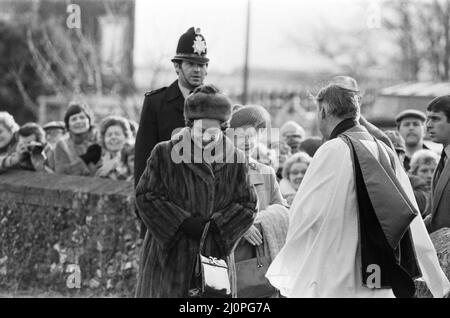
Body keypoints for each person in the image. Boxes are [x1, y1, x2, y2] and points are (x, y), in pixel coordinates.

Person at [266, 84, 450, 298]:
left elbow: (304, 215)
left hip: (336, 274)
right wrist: (438, 282)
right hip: (378, 276)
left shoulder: (332, 149)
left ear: (324, 112)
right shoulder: (385, 150)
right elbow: (411, 218)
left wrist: (290, 268)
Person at [135, 84, 257, 298]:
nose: (206, 136)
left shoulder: (236, 158)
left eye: (213, 131)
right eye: (201, 130)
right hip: (168, 259)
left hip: (215, 258)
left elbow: (247, 204)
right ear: (190, 125)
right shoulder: (165, 152)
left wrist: (219, 226)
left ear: (223, 128)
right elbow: (146, 195)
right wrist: (181, 222)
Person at [134, 27, 209, 237]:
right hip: (166, 213)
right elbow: (143, 161)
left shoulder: (215, 105)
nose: (198, 70)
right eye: (191, 64)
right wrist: (146, 213)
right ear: (177, 66)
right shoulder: (156, 103)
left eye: (202, 65)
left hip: (205, 215)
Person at [384, 130, 429, 216]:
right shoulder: (372, 177)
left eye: (396, 152)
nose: (392, 157)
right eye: (386, 152)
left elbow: (418, 206)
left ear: (403, 156)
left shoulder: (417, 182)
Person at [424, 95, 450, 233]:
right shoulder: (443, 158)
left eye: (435, 119)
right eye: (428, 118)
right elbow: (438, 215)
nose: (428, 125)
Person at [53, 102, 101, 176]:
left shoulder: (100, 141)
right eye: (74, 119)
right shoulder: (62, 145)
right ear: (68, 124)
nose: (78, 121)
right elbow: (61, 174)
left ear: (89, 120)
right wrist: (84, 160)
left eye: (82, 117)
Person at [95, 116, 133, 180]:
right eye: (109, 135)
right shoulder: (99, 163)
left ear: (126, 137)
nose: (113, 137)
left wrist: (115, 164)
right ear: (103, 139)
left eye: (117, 134)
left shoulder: (133, 159)